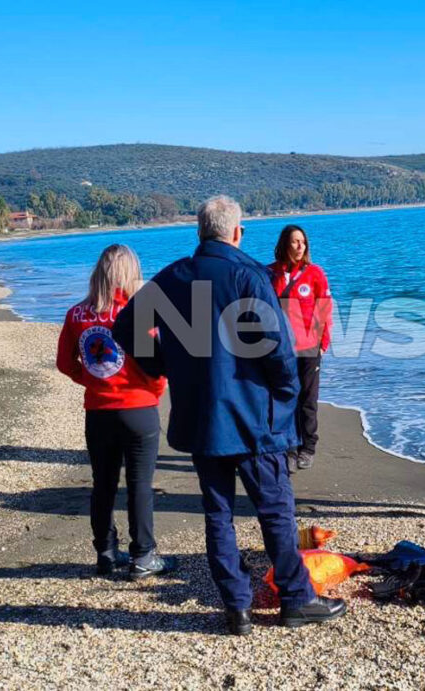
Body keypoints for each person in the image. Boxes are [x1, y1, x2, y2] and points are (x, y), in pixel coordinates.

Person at [114, 195, 346, 635]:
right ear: (237, 232)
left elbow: (125, 327)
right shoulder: (248, 275)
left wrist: (162, 363)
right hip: (253, 417)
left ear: (200, 231)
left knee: (218, 513)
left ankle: (237, 607)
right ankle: (296, 600)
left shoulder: (174, 277)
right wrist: (286, 396)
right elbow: (278, 351)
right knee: (275, 510)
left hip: (203, 418)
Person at [56, 244, 175, 581]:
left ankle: (105, 553)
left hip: (98, 410)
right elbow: (156, 364)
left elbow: (65, 363)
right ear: (129, 273)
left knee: (103, 484)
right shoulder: (138, 313)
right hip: (138, 408)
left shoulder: (77, 314)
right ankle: (142, 555)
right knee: (140, 484)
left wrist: (92, 381)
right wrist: (154, 391)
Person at [268, 224, 333, 471]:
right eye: (295, 242)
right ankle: (289, 448)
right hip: (280, 349)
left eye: (303, 242)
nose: (300, 246)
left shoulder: (315, 273)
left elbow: (324, 309)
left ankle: (308, 447)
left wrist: (324, 342)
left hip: (309, 347)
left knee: (307, 398)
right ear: (284, 244)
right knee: (285, 398)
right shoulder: (270, 273)